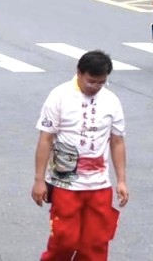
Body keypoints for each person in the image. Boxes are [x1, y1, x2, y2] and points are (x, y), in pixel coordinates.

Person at [32, 50, 128, 261]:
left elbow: (117, 141)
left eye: (101, 83)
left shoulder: (111, 101)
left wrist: (121, 181)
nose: (95, 87)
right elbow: (45, 140)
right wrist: (39, 181)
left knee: (95, 244)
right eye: (91, 81)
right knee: (63, 240)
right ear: (79, 73)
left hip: (99, 186)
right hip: (65, 184)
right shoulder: (59, 96)